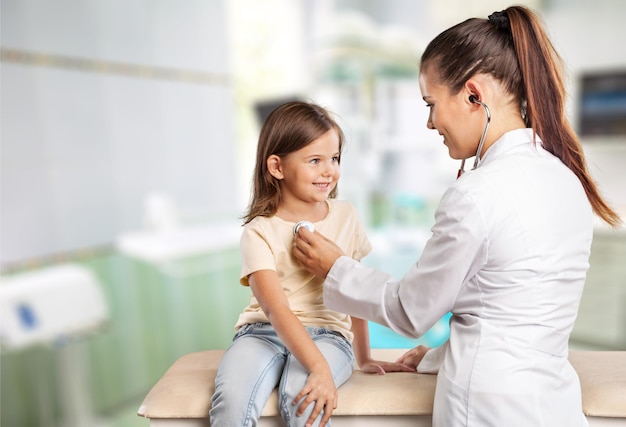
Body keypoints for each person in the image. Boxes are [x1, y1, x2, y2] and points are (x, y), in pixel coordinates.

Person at [293, 6, 621, 427]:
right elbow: (514, 311)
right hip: (551, 404)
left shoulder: (477, 193)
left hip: (484, 406)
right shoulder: (565, 179)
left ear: (473, 94)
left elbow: (411, 311)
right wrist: (438, 356)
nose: (430, 123)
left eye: (431, 104)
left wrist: (335, 268)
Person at [209, 101, 412, 427]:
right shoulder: (258, 231)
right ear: (277, 167)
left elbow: (354, 288)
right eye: (315, 160)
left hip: (328, 336)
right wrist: (317, 367)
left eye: (334, 158)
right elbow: (276, 310)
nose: (329, 170)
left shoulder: (346, 216)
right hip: (261, 333)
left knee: (301, 398)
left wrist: (363, 356)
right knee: (231, 401)